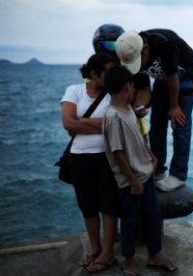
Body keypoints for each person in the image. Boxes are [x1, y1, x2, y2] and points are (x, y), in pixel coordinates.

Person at [103, 65, 177, 274]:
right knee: (130, 220)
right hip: (131, 181)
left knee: (152, 215)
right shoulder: (113, 117)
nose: (135, 90)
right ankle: (128, 260)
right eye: (133, 86)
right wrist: (133, 181)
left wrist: (150, 155)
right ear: (126, 87)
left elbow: (138, 136)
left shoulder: (128, 109)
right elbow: (117, 153)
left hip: (144, 174)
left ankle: (155, 255)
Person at [115, 29, 193, 191]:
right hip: (164, 81)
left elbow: (173, 78)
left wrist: (174, 106)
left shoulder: (163, 43)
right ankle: (158, 170)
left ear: (145, 49)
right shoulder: (131, 51)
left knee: (179, 123)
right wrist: (138, 108)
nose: (138, 66)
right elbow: (144, 91)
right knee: (157, 123)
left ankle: (179, 175)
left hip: (187, 76)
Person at [60, 53, 120, 273]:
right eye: (108, 70)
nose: (113, 75)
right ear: (94, 73)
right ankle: (95, 248)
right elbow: (67, 123)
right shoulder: (74, 90)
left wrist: (81, 121)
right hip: (78, 158)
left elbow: (115, 122)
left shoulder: (112, 92)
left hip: (107, 157)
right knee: (88, 205)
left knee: (109, 206)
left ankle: (107, 252)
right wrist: (98, 124)